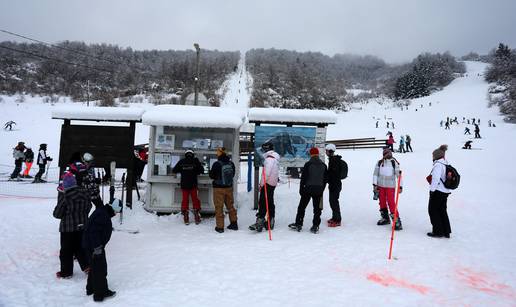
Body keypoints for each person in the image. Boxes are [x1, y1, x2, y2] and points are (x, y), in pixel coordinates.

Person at [53, 172, 91, 279]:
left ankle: (66, 272)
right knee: (80, 248)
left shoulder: (66, 197)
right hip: (82, 226)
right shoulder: (85, 193)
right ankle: (87, 266)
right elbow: (89, 207)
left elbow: (57, 214)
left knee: (66, 251)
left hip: (68, 229)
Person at [82, 198, 119, 302]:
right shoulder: (103, 215)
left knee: (94, 267)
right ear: (113, 208)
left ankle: (91, 289)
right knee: (100, 269)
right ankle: (100, 293)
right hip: (94, 247)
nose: (116, 214)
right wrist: (97, 248)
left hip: (92, 246)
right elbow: (94, 232)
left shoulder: (103, 212)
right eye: (116, 211)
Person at [289, 147, 328, 234]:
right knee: (317, 209)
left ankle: (299, 223)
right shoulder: (324, 165)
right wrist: (322, 189)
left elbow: (303, 178)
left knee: (302, 207)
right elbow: (325, 179)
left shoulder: (308, 164)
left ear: (311, 154)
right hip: (319, 190)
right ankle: (315, 226)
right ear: (317, 154)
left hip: (308, 189)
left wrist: (301, 189)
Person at [249, 142, 280, 232]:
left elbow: (266, 173)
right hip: (272, 183)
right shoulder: (275, 158)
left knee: (262, 202)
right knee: (269, 202)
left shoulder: (269, 159)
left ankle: (260, 222)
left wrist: (261, 184)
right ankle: (270, 221)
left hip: (267, 183)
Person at [373, 148, 403, 230]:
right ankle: (385, 218)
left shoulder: (394, 162)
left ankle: (397, 221)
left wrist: (400, 186)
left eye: (389, 154)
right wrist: (374, 185)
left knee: (391, 203)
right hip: (380, 186)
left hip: (390, 187)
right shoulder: (380, 162)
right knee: (382, 202)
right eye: (386, 154)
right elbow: (375, 174)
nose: (388, 155)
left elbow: (399, 176)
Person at [209, 147, 238, 233]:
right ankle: (234, 223)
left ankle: (220, 227)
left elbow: (212, 176)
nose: (216, 153)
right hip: (229, 188)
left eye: (218, 151)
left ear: (221, 153)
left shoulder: (216, 164)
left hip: (218, 189)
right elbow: (233, 174)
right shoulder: (231, 163)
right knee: (230, 206)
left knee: (219, 207)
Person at [426, 145, 452, 238]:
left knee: (433, 211)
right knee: (442, 211)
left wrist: (432, 191)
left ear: (436, 156)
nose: (432, 157)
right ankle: (446, 231)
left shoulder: (438, 165)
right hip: (445, 191)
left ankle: (438, 231)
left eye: (433, 155)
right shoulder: (446, 163)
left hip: (438, 191)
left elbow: (436, 179)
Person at [172, 149, 204, 225]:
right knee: (195, 200)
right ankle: (197, 217)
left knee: (185, 200)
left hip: (184, 185)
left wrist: (182, 171)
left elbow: (174, 170)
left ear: (185, 154)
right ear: (192, 154)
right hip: (193, 185)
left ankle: (186, 218)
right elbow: (201, 171)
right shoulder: (195, 161)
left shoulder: (181, 161)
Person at [325, 144, 347, 227]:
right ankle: (335, 217)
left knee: (334, 202)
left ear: (330, 151)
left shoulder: (334, 161)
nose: (326, 152)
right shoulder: (332, 160)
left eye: (327, 150)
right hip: (334, 184)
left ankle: (337, 220)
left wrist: (327, 177)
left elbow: (333, 174)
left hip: (335, 184)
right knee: (332, 201)